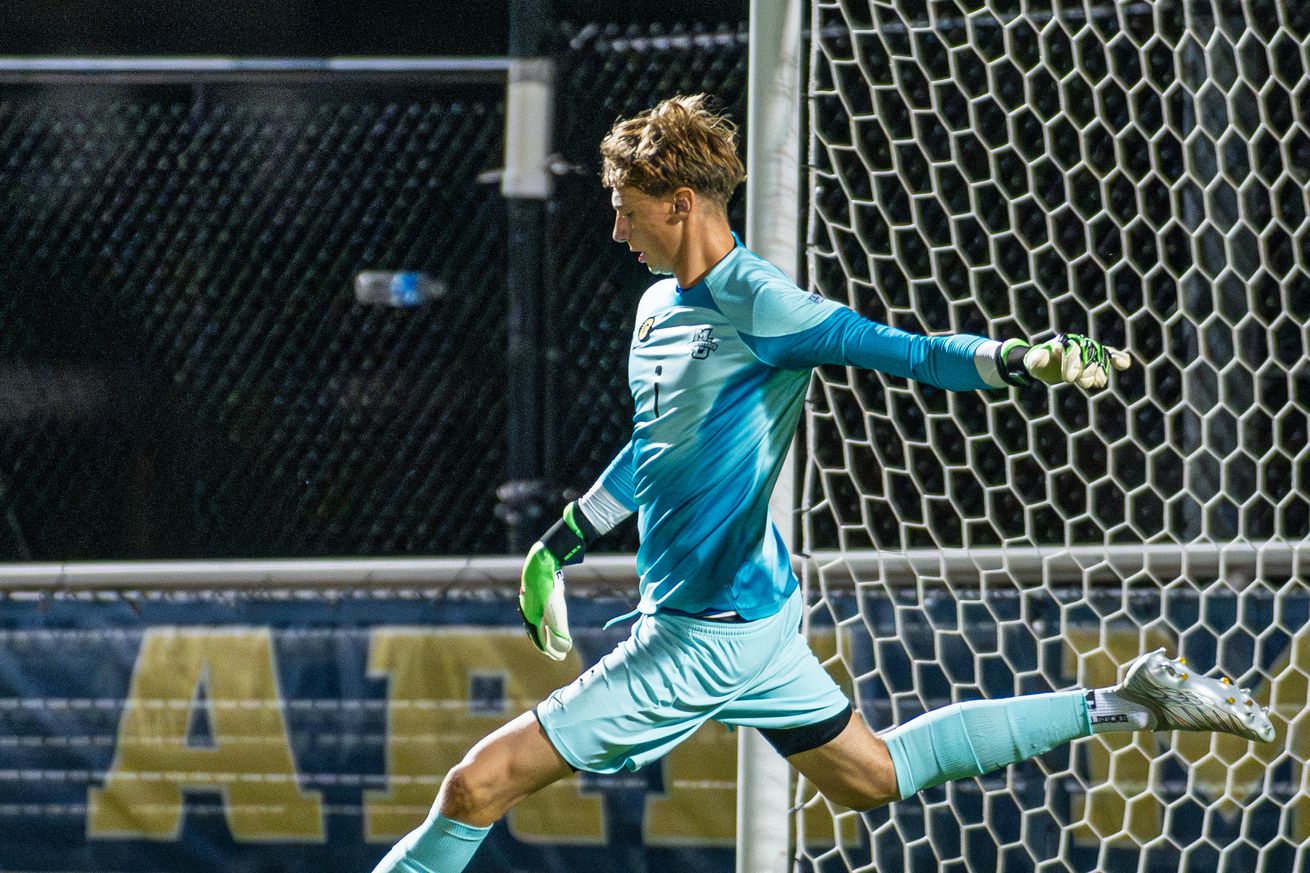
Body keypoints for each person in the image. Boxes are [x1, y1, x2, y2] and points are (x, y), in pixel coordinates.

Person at [370, 94, 1274, 873]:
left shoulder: (762, 304)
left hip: (702, 637)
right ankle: (1127, 699)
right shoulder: (654, 308)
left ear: (679, 203)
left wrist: (1018, 359)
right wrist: (560, 542)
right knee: (871, 775)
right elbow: (658, 444)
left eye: (625, 208)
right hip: (755, 620)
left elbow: (907, 351)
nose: (616, 229)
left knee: (475, 783)